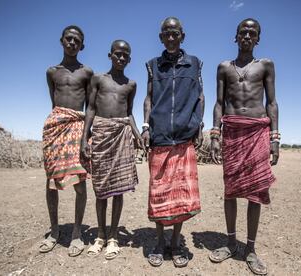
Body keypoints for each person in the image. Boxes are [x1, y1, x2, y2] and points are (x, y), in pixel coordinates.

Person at [208, 18, 279, 275]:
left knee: (255, 191)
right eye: (243, 32)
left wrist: (275, 137)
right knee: (230, 190)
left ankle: (250, 249)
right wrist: (215, 134)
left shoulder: (266, 65)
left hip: (258, 131)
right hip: (232, 132)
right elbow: (218, 103)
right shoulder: (224, 67)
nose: (247, 36)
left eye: (252, 33)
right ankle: (229, 243)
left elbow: (272, 103)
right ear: (235, 37)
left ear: (258, 38)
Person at [143, 17, 204, 268]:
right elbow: (148, 99)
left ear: (182, 36)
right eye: (166, 33)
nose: (170, 37)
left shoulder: (195, 64)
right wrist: (146, 126)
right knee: (159, 193)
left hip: (183, 137)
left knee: (180, 195)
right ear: (160, 37)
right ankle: (159, 243)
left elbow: (200, 97)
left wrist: (197, 125)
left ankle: (176, 242)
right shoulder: (153, 66)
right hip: (159, 136)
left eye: (175, 33)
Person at [81, 40, 143, 260]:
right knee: (100, 188)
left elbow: (129, 113)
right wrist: (83, 139)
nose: (122, 58)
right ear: (110, 55)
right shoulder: (98, 79)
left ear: (130, 58)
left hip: (121, 135)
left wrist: (136, 133)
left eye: (126, 55)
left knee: (118, 188)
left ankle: (114, 237)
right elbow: (90, 109)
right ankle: (100, 235)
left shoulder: (131, 85)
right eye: (118, 54)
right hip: (100, 135)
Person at [40, 25, 93, 257]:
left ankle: (77, 234)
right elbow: (54, 103)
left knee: (80, 182)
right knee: (51, 181)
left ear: (82, 45)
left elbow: (90, 106)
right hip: (55, 127)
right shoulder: (52, 72)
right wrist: (58, 122)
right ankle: (54, 231)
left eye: (77, 40)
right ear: (61, 40)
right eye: (69, 39)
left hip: (77, 127)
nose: (72, 43)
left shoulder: (87, 73)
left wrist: (86, 136)